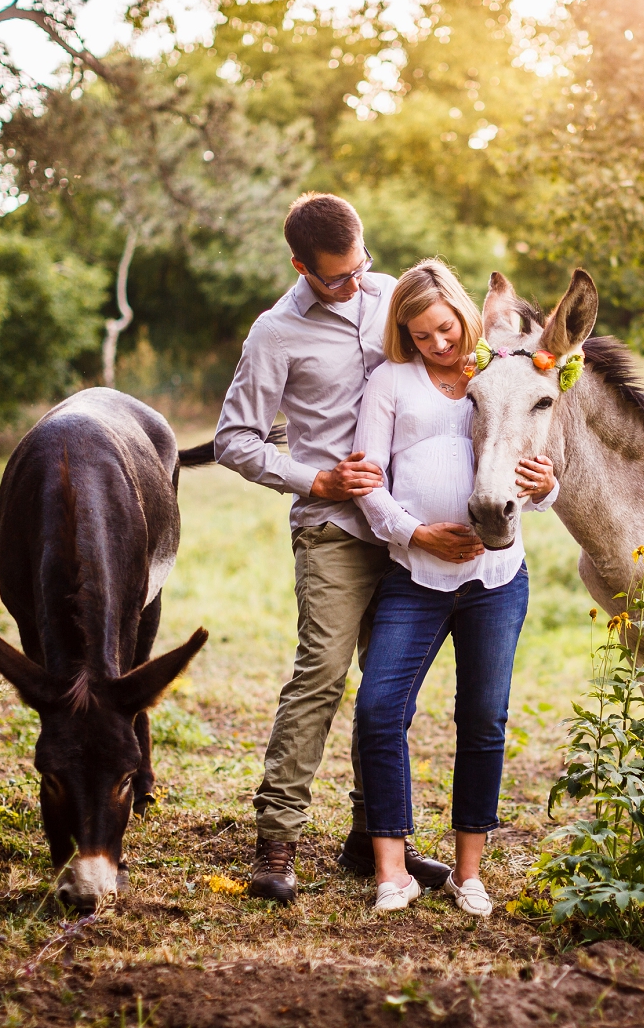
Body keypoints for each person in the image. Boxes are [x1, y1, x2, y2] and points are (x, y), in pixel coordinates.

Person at [212, 193, 452, 903]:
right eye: (338, 278)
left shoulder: (389, 297)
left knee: (389, 691)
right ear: (301, 267)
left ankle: (375, 838)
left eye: (362, 268)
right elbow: (234, 439)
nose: (357, 285)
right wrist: (313, 476)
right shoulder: (274, 333)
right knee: (321, 673)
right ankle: (277, 837)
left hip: (406, 528)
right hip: (335, 532)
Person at [350, 259, 557, 916]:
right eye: (419, 336)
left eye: (444, 329)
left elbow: (541, 485)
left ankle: (469, 872)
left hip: (496, 579)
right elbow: (368, 484)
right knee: (379, 709)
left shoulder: (503, 369)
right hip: (418, 576)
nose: (437, 344)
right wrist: (416, 533)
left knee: (484, 720)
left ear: (466, 314)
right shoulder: (391, 383)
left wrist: (544, 486)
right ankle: (393, 869)